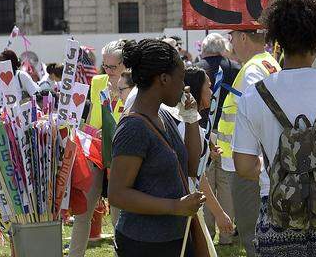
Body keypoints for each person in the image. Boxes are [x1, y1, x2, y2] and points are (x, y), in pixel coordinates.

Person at [233, 0, 316, 257]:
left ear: (277, 40)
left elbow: (243, 166)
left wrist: (277, 166)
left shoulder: (253, 96)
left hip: (278, 213)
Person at [108, 39, 205, 257]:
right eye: (181, 79)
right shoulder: (133, 127)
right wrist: (174, 207)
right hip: (145, 244)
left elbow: (190, 166)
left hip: (176, 237)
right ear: (163, 79)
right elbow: (117, 194)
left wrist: (191, 118)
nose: (184, 86)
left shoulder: (162, 115)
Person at [220, 27, 281, 257]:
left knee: (252, 234)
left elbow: (261, 111)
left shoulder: (252, 69)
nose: (231, 43)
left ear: (243, 37)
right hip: (256, 163)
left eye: (232, 37)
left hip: (248, 166)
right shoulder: (268, 62)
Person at [70, 40, 127, 257]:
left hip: (121, 156)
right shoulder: (97, 82)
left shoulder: (133, 85)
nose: (109, 72)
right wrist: (94, 133)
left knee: (118, 215)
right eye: (106, 66)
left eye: (113, 67)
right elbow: (92, 121)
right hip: (95, 154)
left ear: (125, 65)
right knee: (83, 212)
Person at [194, 33, 240, 245]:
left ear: (204, 49)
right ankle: (227, 234)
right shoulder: (234, 67)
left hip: (202, 132)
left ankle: (208, 233)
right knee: (226, 187)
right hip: (229, 137)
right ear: (222, 48)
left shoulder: (196, 69)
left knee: (205, 184)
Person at [183, 66, 235, 241]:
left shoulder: (189, 123)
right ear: (197, 90)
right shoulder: (186, 126)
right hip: (185, 207)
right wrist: (219, 214)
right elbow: (197, 176)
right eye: (209, 87)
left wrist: (208, 151)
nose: (212, 92)